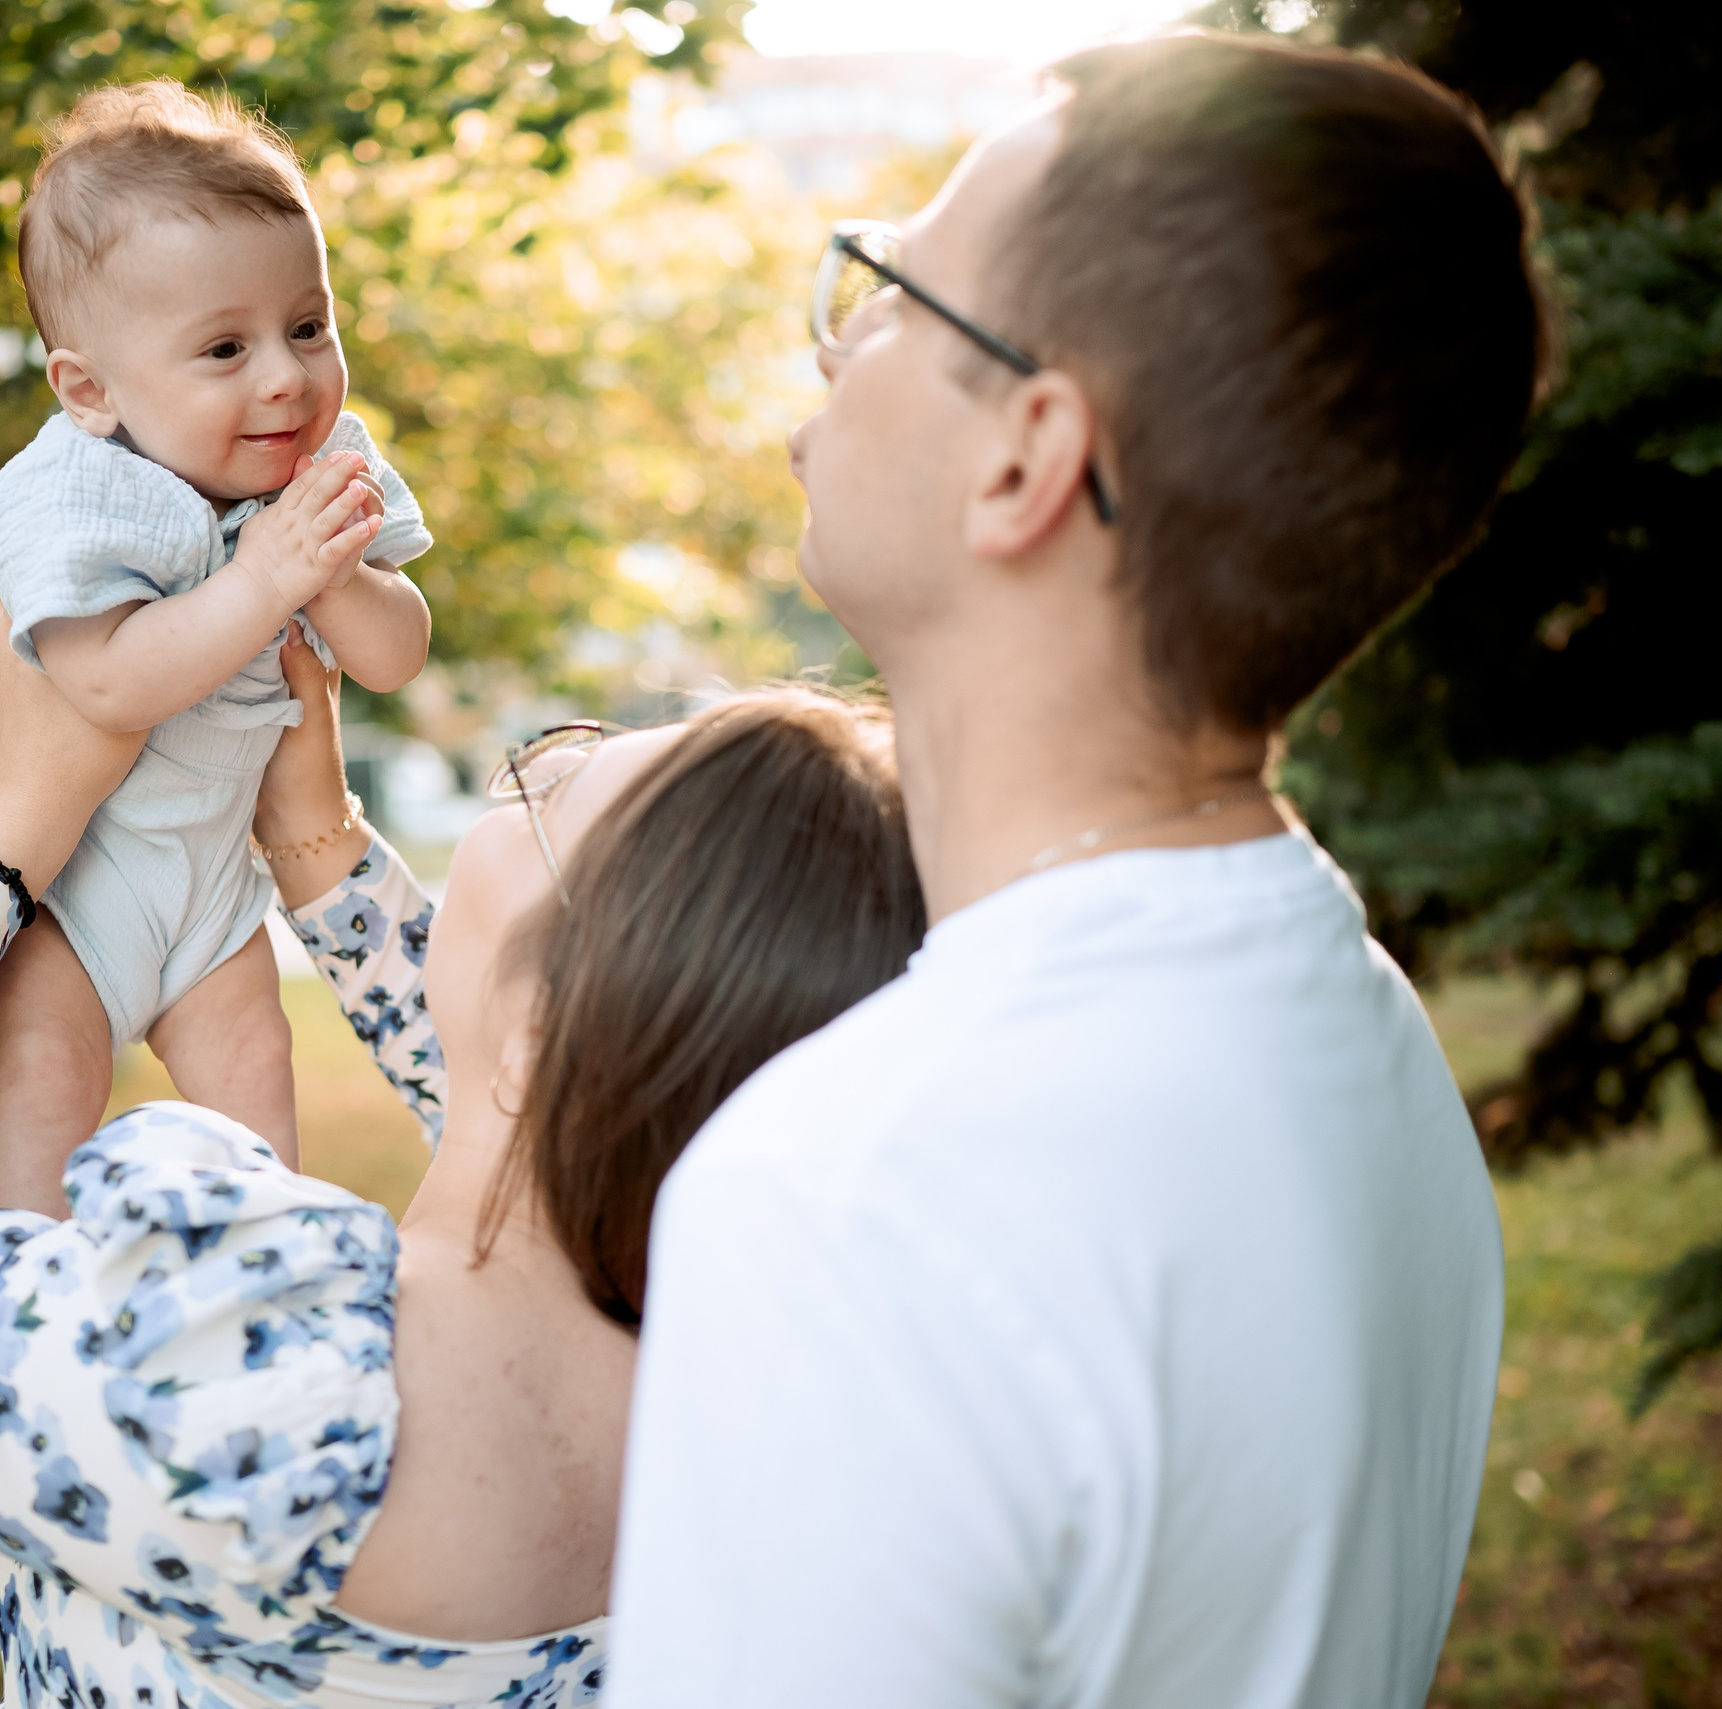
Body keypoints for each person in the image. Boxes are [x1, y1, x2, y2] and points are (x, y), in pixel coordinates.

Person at [607, 34, 1548, 1709]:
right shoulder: (1373, 1034)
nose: (842, 335)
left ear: (1028, 458)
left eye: (894, 287)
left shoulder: (847, 1202)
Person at [0, 552, 925, 1706]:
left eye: (550, 777)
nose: (522, 776)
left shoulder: (243, 1389)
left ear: (541, 1024)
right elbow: (565, 1106)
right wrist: (317, 843)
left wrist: (0, 835)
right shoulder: (783, 1406)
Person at [0, 80, 434, 1208]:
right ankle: (39, 1288)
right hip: (64, 879)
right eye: (224, 347)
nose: (285, 376)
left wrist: (335, 568)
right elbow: (106, 682)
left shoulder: (320, 466)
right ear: (89, 388)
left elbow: (397, 652)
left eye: (309, 326)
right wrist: (264, 579)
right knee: (44, 1080)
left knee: (255, 1066)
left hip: (210, 881)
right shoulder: (70, 488)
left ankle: (258, 1267)